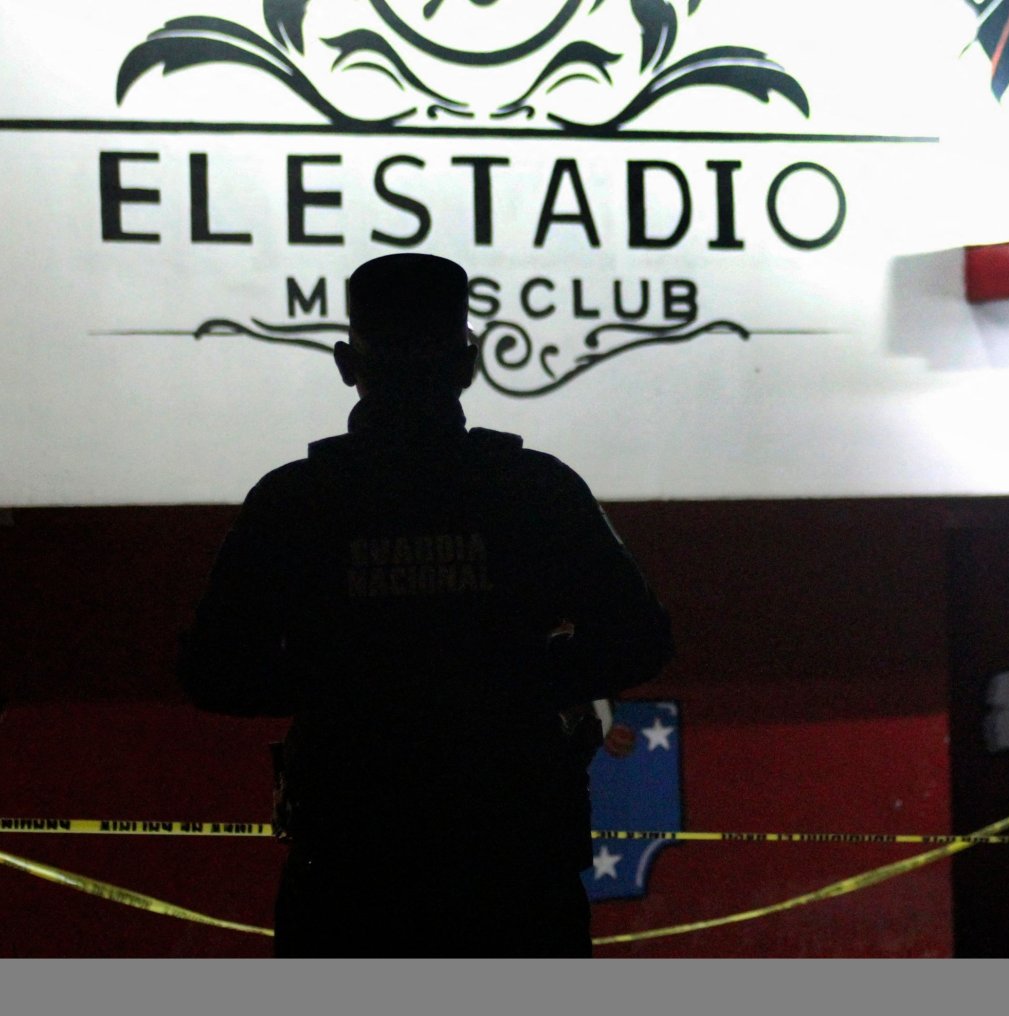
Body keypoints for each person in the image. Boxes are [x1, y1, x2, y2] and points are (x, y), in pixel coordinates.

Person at [178, 253, 673, 957]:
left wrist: (349, 678)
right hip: (511, 863)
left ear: (348, 363)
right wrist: (511, 676)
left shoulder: (294, 501)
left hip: (351, 861)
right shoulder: (536, 489)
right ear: (469, 363)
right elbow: (638, 640)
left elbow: (214, 669)